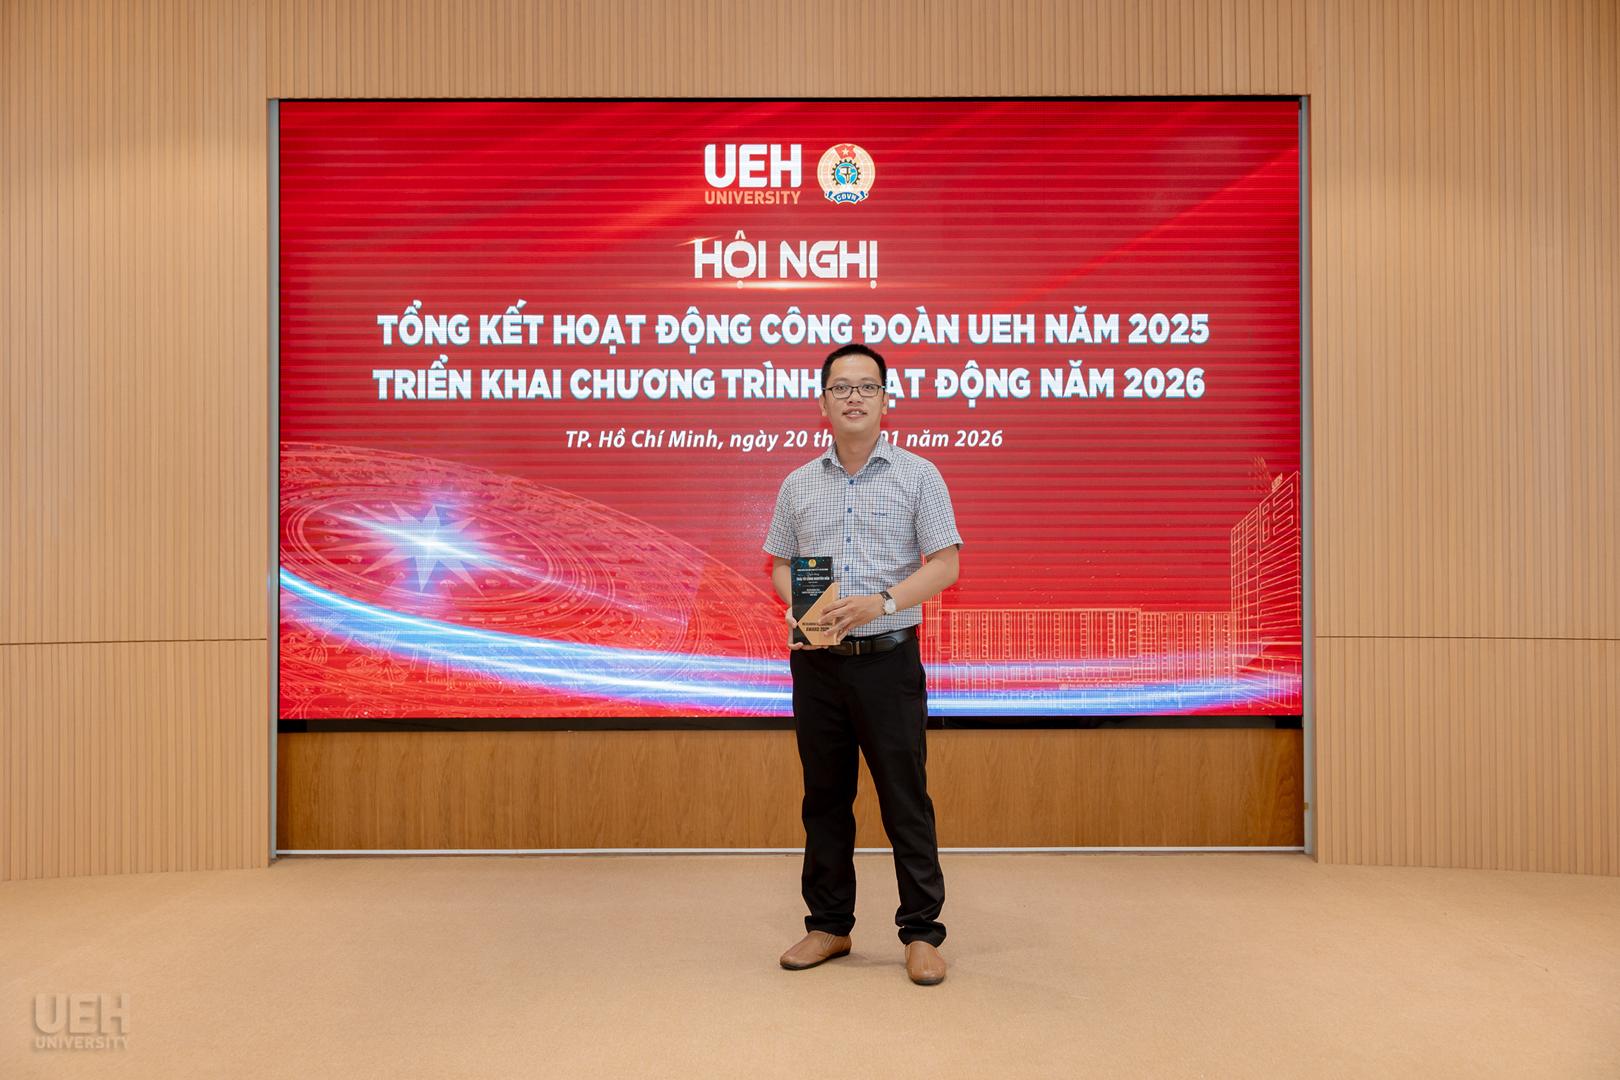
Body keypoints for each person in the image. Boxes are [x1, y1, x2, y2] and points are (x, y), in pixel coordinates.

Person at [762, 343, 963, 987]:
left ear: (885, 399)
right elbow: (781, 563)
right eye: (841, 387)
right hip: (818, 667)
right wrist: (803, 610)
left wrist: (881, 602)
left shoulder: (918, 475)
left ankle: (922, 932)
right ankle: (829, 924)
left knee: (905, 798)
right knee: (825, 798)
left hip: (888, 661)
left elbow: (945, 564)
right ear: (822, 402)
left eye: (866, 387)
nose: (854, 397)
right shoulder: (798, 483)